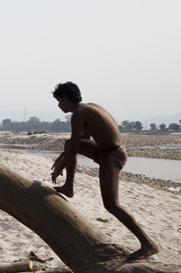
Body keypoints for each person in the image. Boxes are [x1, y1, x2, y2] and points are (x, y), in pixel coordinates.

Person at [50, 82, 159, 260]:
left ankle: (148, 244)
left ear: (66, 99)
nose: (59, 106)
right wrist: (63, 156)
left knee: (111, 204)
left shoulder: (79, 114)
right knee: (69, 145)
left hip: (112, 155)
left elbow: (76, 146)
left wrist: (58, 168)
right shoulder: (85, 110)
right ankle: (69, 187)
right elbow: (79, 142)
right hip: (104, 151)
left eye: (59, 101)